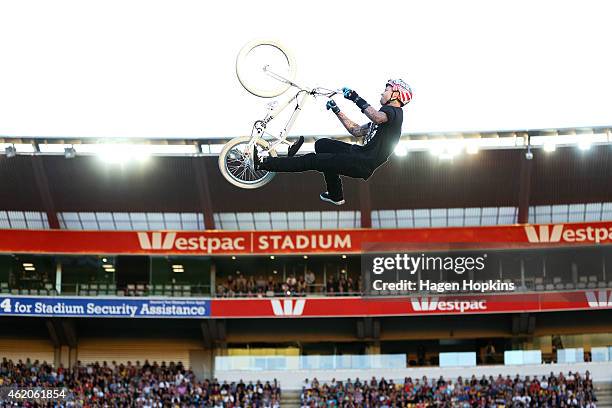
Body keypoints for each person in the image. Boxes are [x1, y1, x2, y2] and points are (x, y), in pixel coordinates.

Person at [254, 79, 412, 205]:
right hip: (359, 155)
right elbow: (355, 131)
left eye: (386, 90)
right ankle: (335, 194)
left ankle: (263, 163)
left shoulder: (394, 112)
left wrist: (355, 98)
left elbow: (376, 116)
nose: (382, 92)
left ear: (396, 95)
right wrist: (337, 110)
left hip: (362, 162)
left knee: (313, 160)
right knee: (322, 145)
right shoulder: (386, 120)